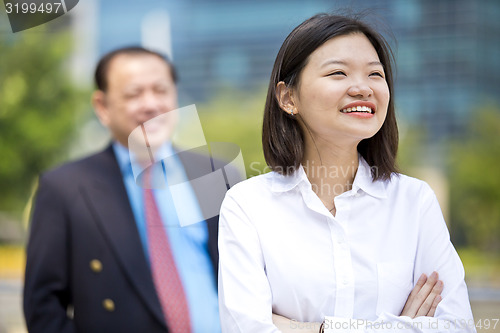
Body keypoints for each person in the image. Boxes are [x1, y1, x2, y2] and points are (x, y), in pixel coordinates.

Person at [218, 14, 476, 333]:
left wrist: (313, 328)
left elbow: (458, 327)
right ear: (288, 97)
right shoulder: (248, 205)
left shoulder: (414, 201)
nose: (362, 88)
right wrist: (403, 326)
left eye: (375, 74)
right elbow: (244, 327)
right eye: (338, 72)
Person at [24, 47, 223, 333]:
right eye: (133, 94)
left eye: (160, 90)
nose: (151, 104)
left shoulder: (214, 173)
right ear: (102, 106)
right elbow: (43, 306)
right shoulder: (65, 188)